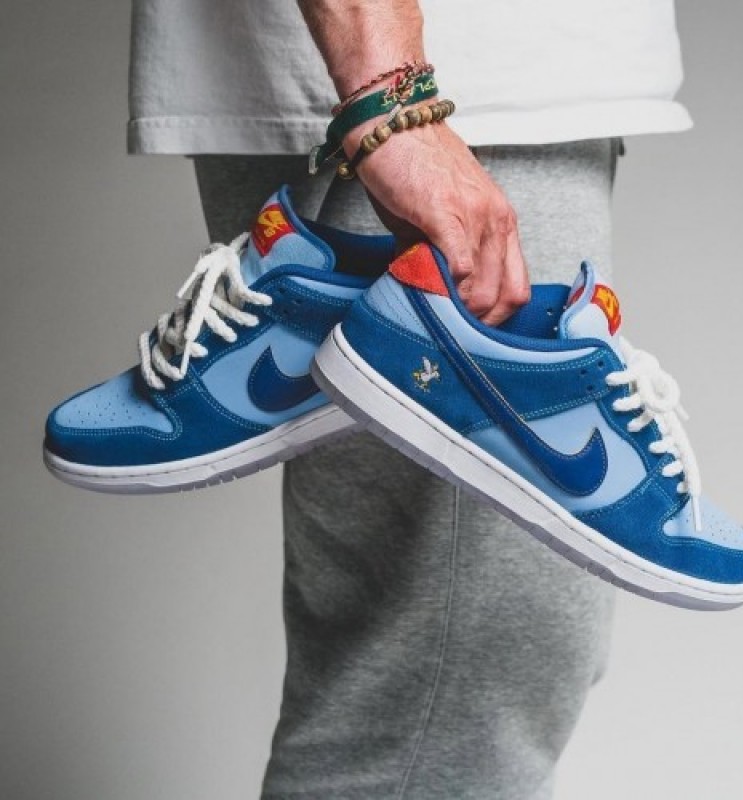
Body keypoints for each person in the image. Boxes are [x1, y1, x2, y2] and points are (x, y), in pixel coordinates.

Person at [125, 2, 692, 797]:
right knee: (442, 693)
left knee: (471, 673)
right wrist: (391, 100)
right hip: (433, 105)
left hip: (483, 95)